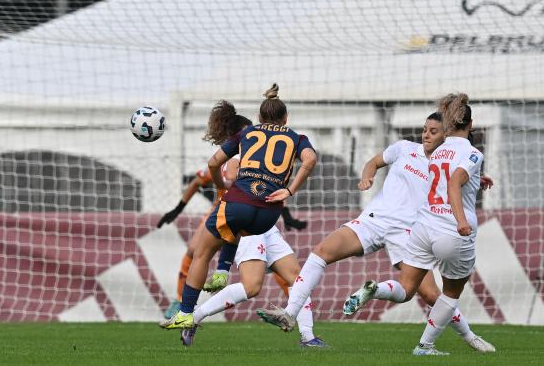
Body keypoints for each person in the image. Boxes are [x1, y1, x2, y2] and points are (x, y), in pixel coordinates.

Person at [257, 110, 495, 353]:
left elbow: (453, 175)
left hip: (409, 233)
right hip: (376, 220)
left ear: (447, 135)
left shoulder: (446, 161)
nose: (426, 135)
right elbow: (374, 162)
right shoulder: (403, 148)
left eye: (433, 131)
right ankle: (289, 313)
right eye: (424, 130)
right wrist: (367, 177)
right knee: (320, 253)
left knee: (429, 295)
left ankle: (469, 336)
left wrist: (478, 177)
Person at [341, 94, 491, 356]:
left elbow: (444, 177)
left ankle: (376, 289)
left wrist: (476, 178)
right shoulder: (472, 152)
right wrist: (461, 221)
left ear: (448, 124)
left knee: (408, 287)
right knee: (450, 293)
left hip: (422, 228)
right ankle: (425, 346)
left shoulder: (437, 151)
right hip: (450, 230)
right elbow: (455, 181)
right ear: (471, 123)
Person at [160, 83, 317, 331]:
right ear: (286, 118)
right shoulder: (297, 138)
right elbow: (310, 159)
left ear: (258, 118)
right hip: (268, 215)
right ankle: (305, 333)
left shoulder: (246, 136)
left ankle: (186, 312)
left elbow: (213, 165)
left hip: (238, 204)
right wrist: (289, 190)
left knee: (200, 252)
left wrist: (223, 188)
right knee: (256, 251)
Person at [181, 154, 324, 348]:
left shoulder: (262, 156)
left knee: (298, 279)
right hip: (249, 222)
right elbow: (230, 184)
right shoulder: (237, 158)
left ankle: (307, 337)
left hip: (267, 224)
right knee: (252, 287)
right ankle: (194, 318)